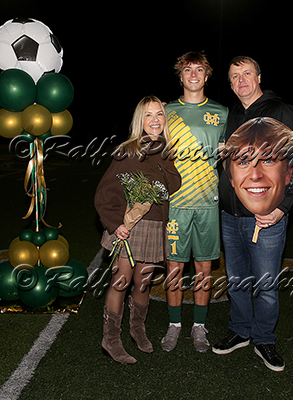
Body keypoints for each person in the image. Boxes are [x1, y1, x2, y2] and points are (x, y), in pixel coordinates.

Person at [213, 56, 293, 372]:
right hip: (230, 214)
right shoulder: (233, 115)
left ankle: (264, 338)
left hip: (266, 216)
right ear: (230, 84)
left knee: (265, 284)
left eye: (246, 73)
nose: (241, 80)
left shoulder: (281, 111)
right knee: (236, 280)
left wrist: (281, 208)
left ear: (259, 77)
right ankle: (240, 330)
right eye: (234, 76)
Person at [95, 95, 181, 364]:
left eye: (159, 114)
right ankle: (110, 339)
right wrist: (115, 224)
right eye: (148, 115)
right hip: (130, 228)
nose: (155, 120)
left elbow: (173, 185)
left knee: (143, 283)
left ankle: (137, 329)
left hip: (154, 227)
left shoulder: (165, 151)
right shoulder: (129, 151)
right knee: (121, 282)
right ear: (139, 120)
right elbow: (104, 193)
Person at [160, 52, 228, 353]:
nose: (193, 75)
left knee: (203, 267)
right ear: (180, 76)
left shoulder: (221, 112)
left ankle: (199, 326)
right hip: (175, 203)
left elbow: (232, 152)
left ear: (207, 75)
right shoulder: (165, 111)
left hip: (207, 202)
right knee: (174, 267)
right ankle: (174, 324)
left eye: (199, 70)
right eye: (188, 70)